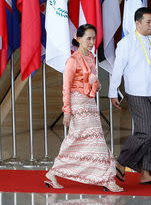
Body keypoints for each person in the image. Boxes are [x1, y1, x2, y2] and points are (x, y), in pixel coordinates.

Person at [45, 24, 123, 192]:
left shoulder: (91, 57)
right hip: (77, 104)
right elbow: (66, 87)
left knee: (88, 141)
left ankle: (54, 173)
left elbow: (94, 81)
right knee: (81, 141)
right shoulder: (72, 60)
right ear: (78, 39)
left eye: (93, 38)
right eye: (88, 38)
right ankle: (106, 178)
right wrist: (67, 111)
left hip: (90, 103)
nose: (91, 42)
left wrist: (96, 83)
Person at [109, 7, 151, 185]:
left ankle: (146, 173)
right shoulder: (126, 43)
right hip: (136, 93)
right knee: (146, 132)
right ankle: (121, 162)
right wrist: (113, 92)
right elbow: (117, 70)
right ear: (137, 23)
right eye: (148, 22)